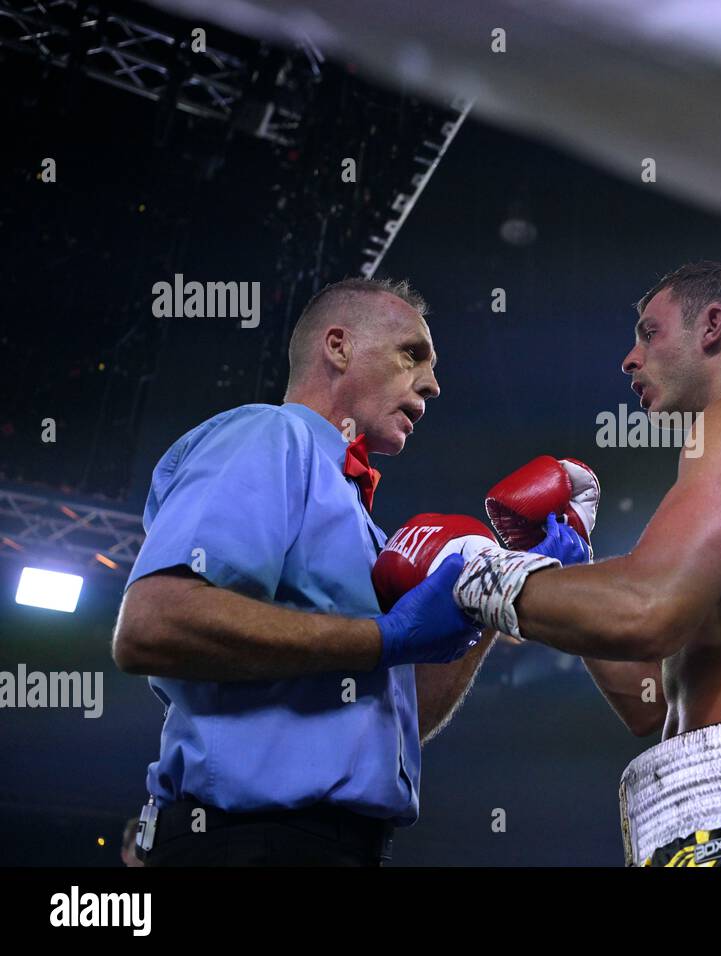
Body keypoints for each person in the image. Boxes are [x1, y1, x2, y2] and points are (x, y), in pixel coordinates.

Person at [455, 261, 721, 866]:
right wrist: (573, 567)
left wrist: (473, 574)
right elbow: (650, 703)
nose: (630, 359)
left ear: (712, 326)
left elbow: (646, 611)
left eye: (649, 333)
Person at [111, 277, 492, 866]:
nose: (433, 384)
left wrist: (499, 591)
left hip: (335, 848)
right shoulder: (272, 434)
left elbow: (392, 721)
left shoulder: (362, 522)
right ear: (338, 348)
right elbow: (154, 623)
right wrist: (383, 638)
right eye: (411, 353)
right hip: (248, 844)